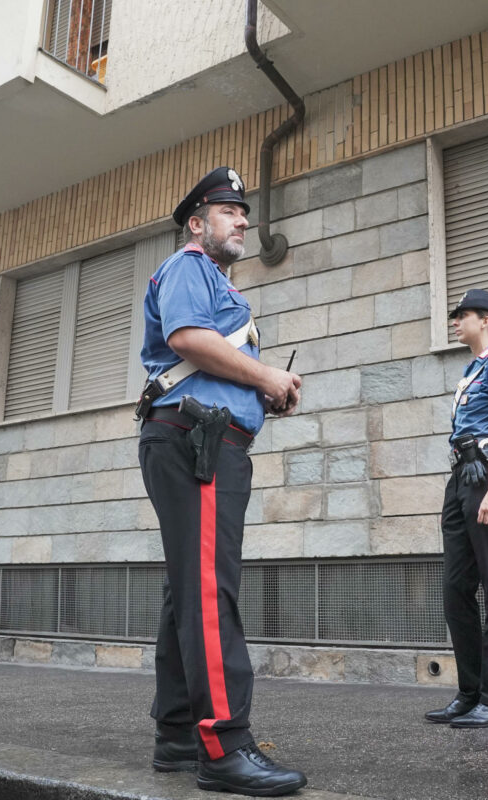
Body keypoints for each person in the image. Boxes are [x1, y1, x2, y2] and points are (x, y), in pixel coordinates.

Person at [137, 166, 306, 796]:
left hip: (199, 436)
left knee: (189, 590)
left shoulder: (217, 284)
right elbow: (186, 338)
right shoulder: (189, 267)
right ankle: (225, 743)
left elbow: (208, 357)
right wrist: (265, 378)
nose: (241, 220)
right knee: (210, 590)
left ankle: (179, 736)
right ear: (197, 222)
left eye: (243, 213)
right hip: (194, 438)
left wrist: (267, 389)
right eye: (229, 211)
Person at [425, 289, 488, 729]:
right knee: (455, 589)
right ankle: (469, 694)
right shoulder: (471, 370)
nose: (455, 321)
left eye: (462, 315)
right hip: (462, 477)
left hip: (487, 475)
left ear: (486, 320)